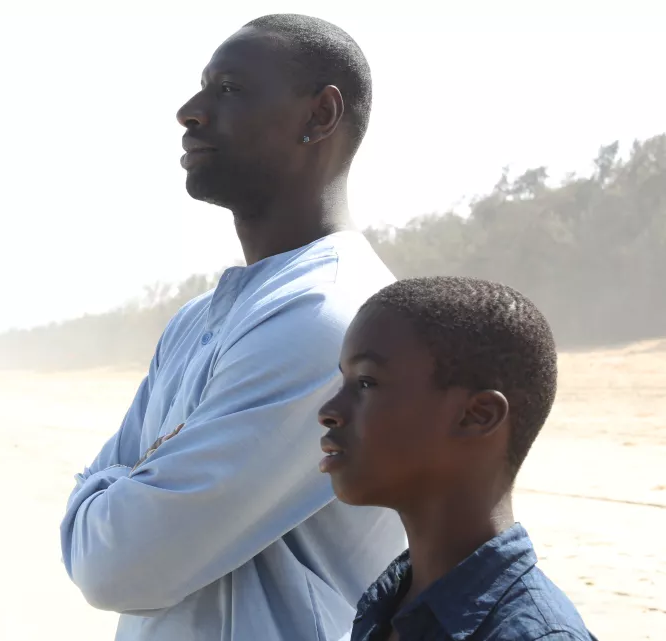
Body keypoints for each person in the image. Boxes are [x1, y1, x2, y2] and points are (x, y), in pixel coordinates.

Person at [60, 14, 406, 641]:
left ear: (320, 114)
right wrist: (127, 493)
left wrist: (119, 484)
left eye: (228, 89)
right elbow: (101, 546)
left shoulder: (330, 315)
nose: (189, 112)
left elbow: (116, 565)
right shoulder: (197, 320)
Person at [318, 277, 597, 641]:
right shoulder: (390, 603)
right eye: (343, 382)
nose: (329, 411)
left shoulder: (534, 635)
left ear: (477, 416)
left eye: (366, 383)